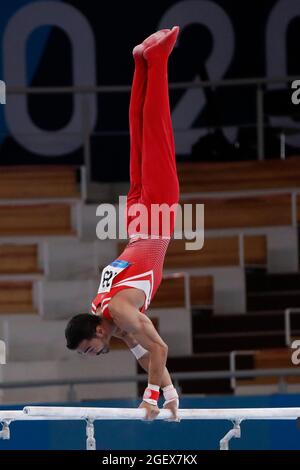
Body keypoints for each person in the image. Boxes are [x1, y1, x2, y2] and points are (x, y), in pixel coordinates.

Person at [65, 27, 180, 421]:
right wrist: (169, 393)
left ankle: (159, 58)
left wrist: (148, 398)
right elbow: (144, 351)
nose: (91, 356)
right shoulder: (102, 309)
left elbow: (159, 350)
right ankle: (140, 61)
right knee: (139, 135)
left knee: (156, 131)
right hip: (136, 219)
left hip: (155, 217)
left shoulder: (119, 311)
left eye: (87, 351)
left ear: (97, 332)